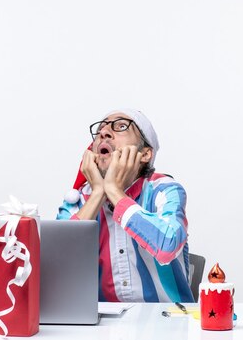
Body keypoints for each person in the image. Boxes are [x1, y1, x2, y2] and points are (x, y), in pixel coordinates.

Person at [57, 109, 193, 302]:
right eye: (100, 130)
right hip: (100, 327)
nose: (104, 132)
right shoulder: (78, 199)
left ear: (145, 154)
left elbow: (168, 246)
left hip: (167, 321)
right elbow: (57, 267)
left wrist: (114, 191)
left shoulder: (163, 190)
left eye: (121, 126)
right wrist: (98, 193)